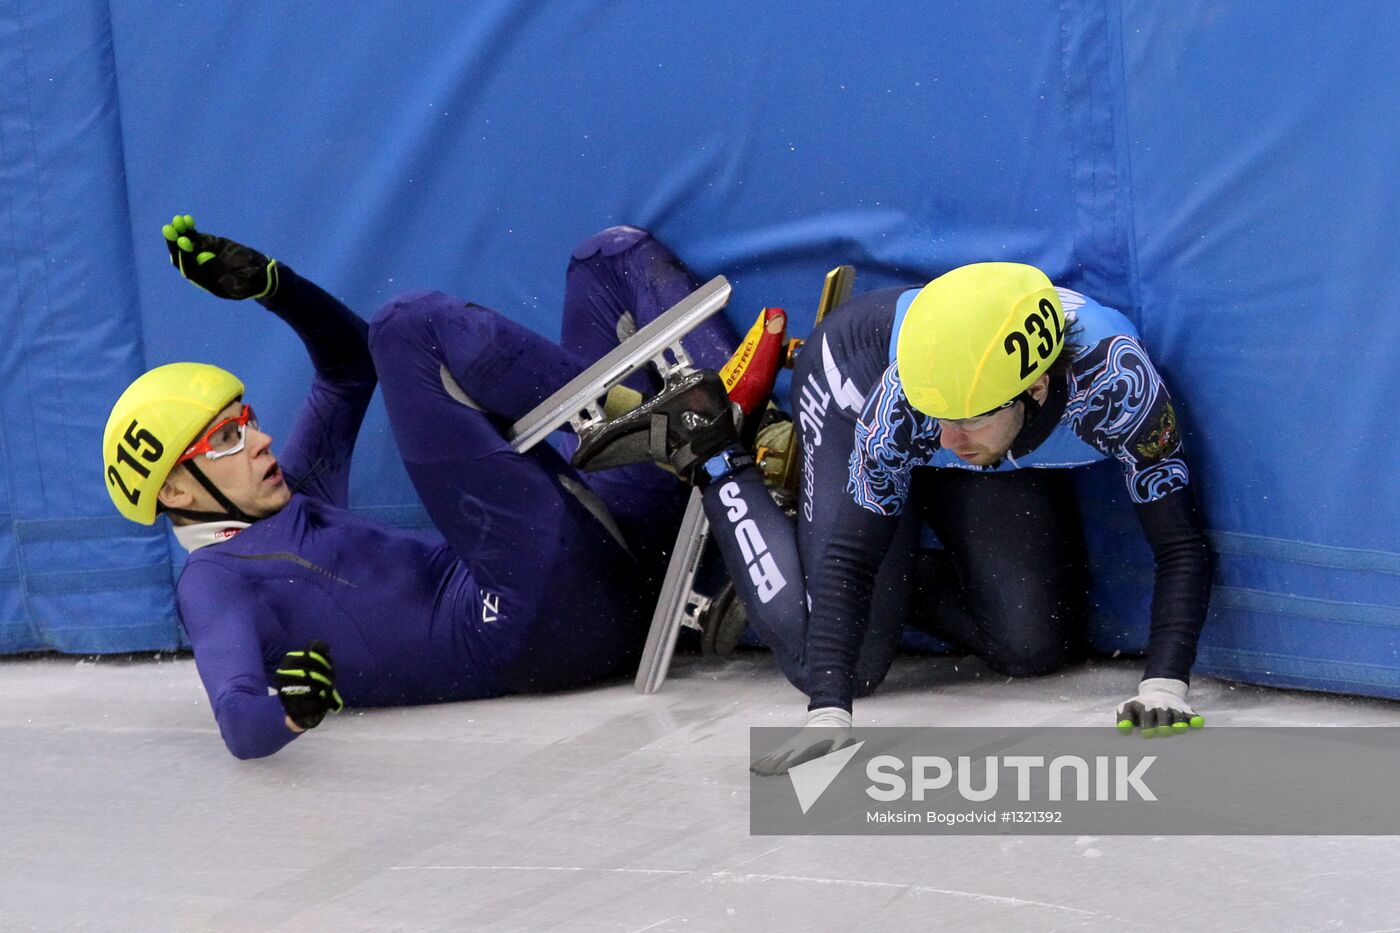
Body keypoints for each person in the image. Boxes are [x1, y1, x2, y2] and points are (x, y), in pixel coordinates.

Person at [102, 216, 741, 759]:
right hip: (537, 630)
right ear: (177, 493)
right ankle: (667, 423)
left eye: (247, 423)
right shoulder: (213, 579)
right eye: (223, 442)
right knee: (408, 326)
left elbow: (348, 364)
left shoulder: (296, 493)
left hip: (600, 558)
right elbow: (239, 722)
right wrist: (294, 711)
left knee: (608, 260)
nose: (259, 442)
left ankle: (736, 433)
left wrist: (275, 286)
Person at [576, 261, 1211, 773]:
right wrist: (829, 715)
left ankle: (877, 553)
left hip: (979, 420)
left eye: (969, 418)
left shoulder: (1117, 384)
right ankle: (712, 446)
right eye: (941, 417)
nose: (950, 439)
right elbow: (853, 557)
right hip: (857, 375)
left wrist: (1163, 687)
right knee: (842, 665)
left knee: (1033, 643)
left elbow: (1180, 545)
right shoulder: (908, 406)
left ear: (1038, 387)